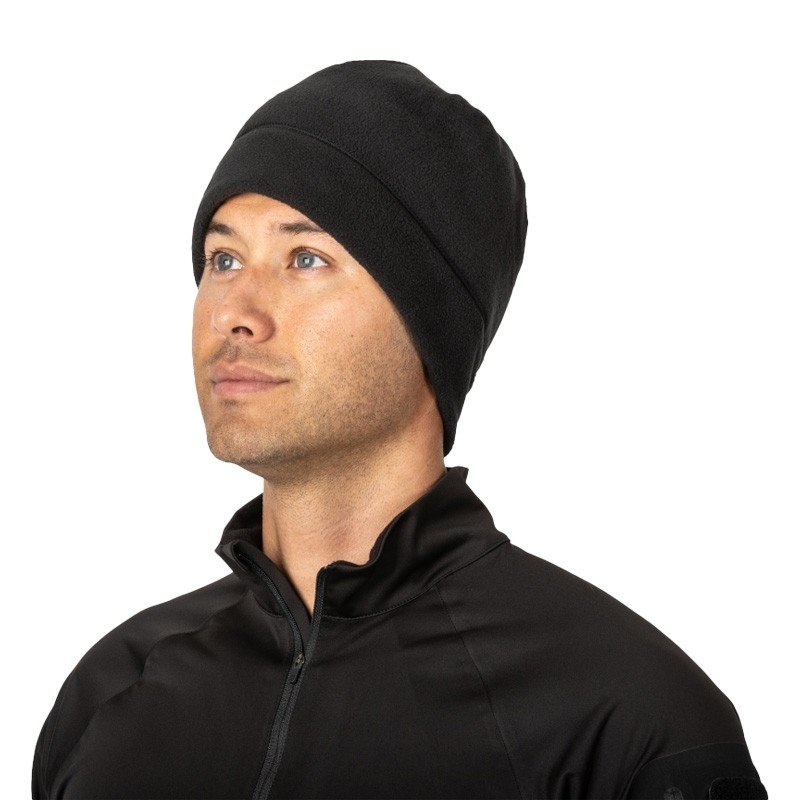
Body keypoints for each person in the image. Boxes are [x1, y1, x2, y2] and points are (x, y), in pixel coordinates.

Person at [31, 59, 767, 800]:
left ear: (429, 321)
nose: (232, 313)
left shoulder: (626, 720)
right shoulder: (112, 692)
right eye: (223, 259)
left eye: (306, 258)